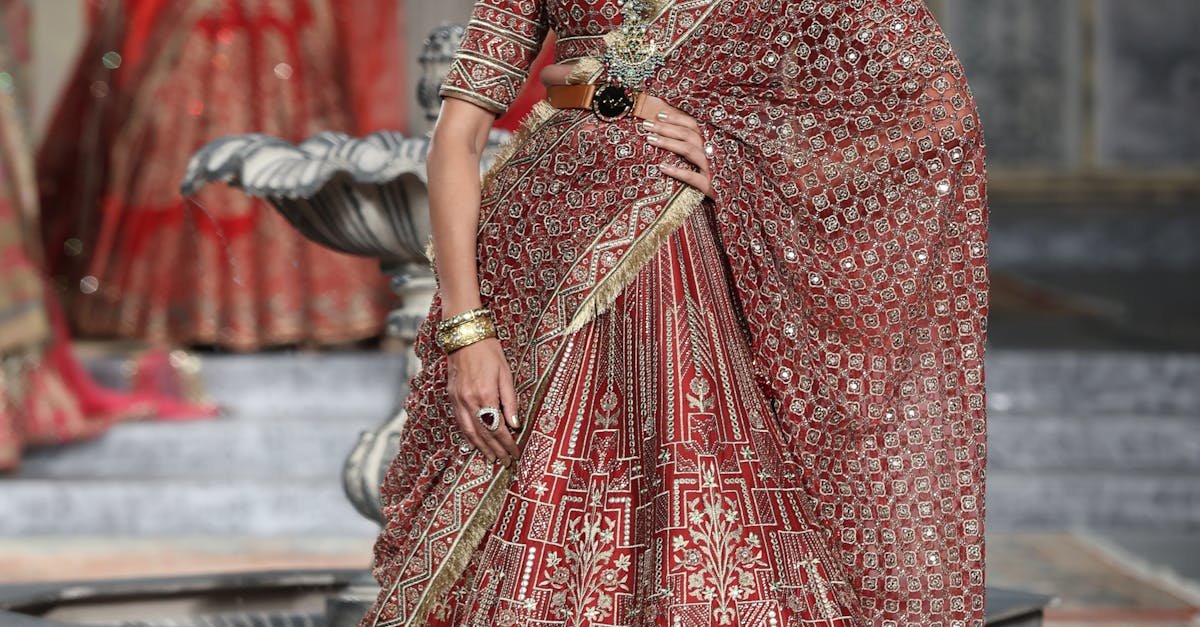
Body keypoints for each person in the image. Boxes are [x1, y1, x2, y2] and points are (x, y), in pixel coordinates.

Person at [364, 0, 989, 624]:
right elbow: (457, 135)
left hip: (685, 266)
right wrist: (467, 331)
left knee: (702, 532)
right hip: (533, 258)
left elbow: (935, 115)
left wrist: (750, 162)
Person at [37, 0, 406, 351]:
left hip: (276, 30)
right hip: (200, 21)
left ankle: (290, 306)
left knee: (285, 124)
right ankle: (193, 306)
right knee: (179, 120)